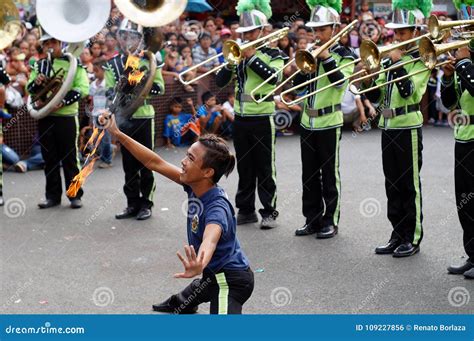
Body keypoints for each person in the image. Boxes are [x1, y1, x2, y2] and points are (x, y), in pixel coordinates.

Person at [100, 111, 254, 314]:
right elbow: (155, 162)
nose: (183, 161)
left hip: (231, 281)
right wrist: (117, 133)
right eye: (186, 155)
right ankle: (183, 301)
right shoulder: (195, 184)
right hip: (211, 275)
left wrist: (200, 261)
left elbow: (211, 238)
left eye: (190, 158)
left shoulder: (217, 207)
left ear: (208, 172)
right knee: (184, 300)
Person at [360, 0, 432, 257]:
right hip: (388, 125)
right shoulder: (390, 60)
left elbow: (411, 92)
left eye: (402, 32)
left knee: (409, 185)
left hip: (408, 126)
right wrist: (370, 76)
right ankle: (397, 232)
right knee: (392, 184)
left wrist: (398, 62)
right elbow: (379, 96)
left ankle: (412, 236)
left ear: (415, 32)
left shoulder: (423, 59)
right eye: (396, 32)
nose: (397, 36)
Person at [216, 0, 288, 229]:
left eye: (251, 32)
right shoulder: (237, 55)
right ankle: (245, 210)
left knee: (265, 166)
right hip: (241, 117)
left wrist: (253, 56)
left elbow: (274, 78)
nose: (247, 36)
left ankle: (269, 211)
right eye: (244, 33)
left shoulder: (274, 54)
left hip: (263, 116)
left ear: (262, 31)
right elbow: (220, 82)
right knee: (244, 165)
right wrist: (229, 64)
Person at [291, 0, 356, 239]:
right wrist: (301, 68)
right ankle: (312, 219)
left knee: (329, 173)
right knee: (308, 174)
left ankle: (330, 220)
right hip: (308, 121)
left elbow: (340, 83)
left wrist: (326, 56)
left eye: (322, 29)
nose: (317, 34)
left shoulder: (344, 55)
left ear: (335, 29)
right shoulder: (311, 53)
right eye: (315, 30)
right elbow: (297, 87)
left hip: (329, 120)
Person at [105, 19, 165, 221]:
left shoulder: (150, 60)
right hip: (124, 118)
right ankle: (132, 203)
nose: (128, 40)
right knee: (128, 164)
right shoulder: (113, 63)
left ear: (140, 39)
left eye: (133, 36)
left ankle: (146, 204)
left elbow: (159, 88)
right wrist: (122, 87)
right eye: (124, 36)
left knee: (146, 163)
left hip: (144, 117)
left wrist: (140, 84)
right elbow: (109, 91)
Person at [26, 32, 89, 209]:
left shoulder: (74, 63)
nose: (50, 46)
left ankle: (75, 195)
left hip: (66, 117)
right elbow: (30, 89)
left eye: (53, 42)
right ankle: (52, 196)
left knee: (70, 158)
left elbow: (82, 89)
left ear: (60, 42)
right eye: (46, 43)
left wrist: (62, 101)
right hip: (46, 116)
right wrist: (38, 83)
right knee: (49, 158)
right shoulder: (40, 65)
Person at [442, 35, 474, 279]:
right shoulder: (467, 61)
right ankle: (473, 254)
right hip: (463, 136)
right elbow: (450, 103)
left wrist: (463, 63)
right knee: (464, 200)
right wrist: (447, 76)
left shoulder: (468, 62)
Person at [90, 60, 113, 168]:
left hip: (104, 114)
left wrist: (108, 113)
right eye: (94, 71)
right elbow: (91, 99)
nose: (95, 73)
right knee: (97, 137)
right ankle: (107, 152)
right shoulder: (93, 84)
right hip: (95, 113)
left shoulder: (107, 84)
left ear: (104, 71)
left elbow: (111, 100)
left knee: (105, 137)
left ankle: (107, 160)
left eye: (97, 71)